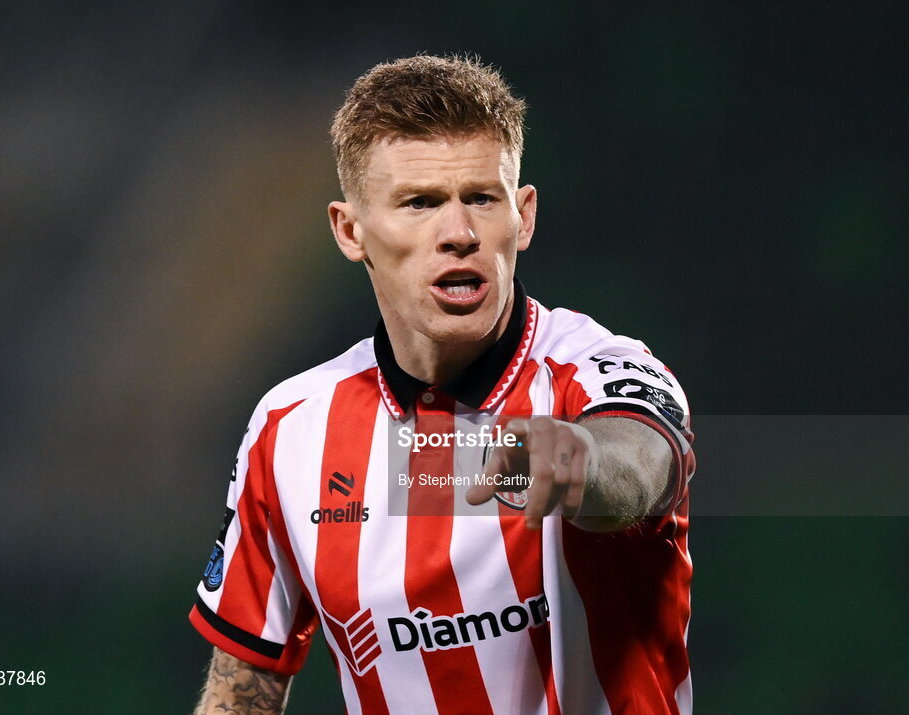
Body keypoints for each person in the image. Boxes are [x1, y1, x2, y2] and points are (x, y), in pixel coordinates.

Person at [189, 54, 695, 714]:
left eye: (481, 199)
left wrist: (580, 461)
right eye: (421, 203)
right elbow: (241, 692)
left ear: (524, 216)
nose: (458, 233)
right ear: (351, 231)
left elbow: (643, 459)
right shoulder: (291, 428)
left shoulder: (595, 371)